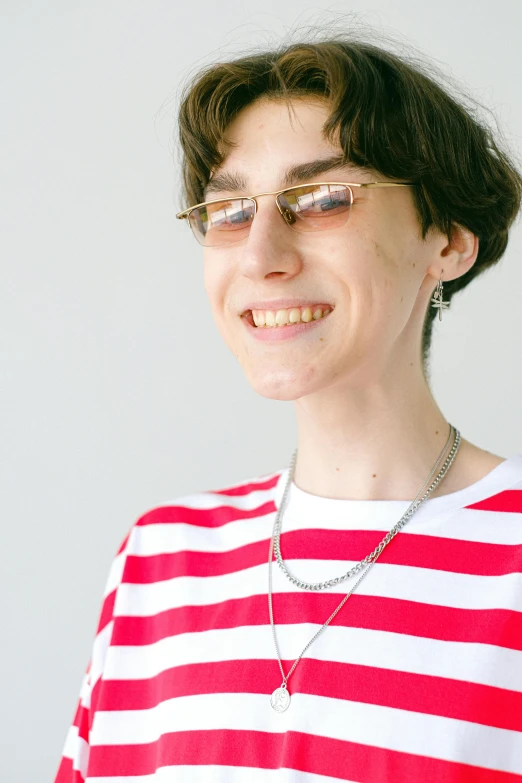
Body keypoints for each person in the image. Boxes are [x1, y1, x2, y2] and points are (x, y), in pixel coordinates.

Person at [54, 32, 522, 782]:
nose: (259, 252)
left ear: (449, 240)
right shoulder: (158, 561)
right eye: (230, 209)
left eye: (325, 198)